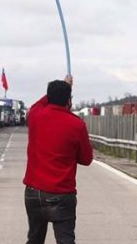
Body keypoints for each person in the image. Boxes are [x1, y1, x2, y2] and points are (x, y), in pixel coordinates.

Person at [24, 79, 92, 244]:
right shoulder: (77, 124)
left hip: (34, 193)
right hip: (61, 193)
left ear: (48, 96)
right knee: (65, 239)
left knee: (34, 239)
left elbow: (37, 104)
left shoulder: (35, 115)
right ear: (69, 100)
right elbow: (86, 159)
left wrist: (64, 83)